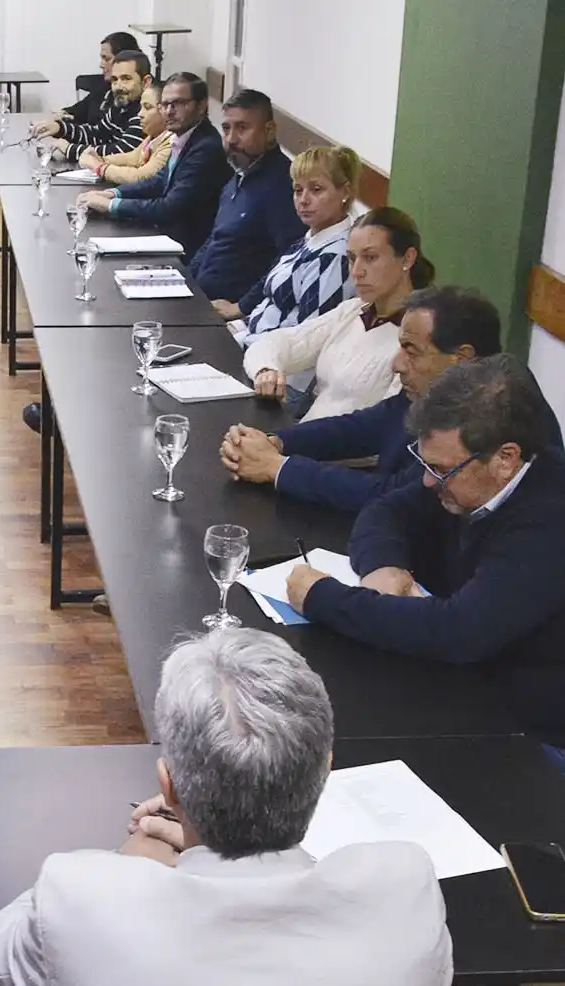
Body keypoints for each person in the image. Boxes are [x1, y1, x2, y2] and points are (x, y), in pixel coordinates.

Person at [0, 629, 452, 986]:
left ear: (170, 786)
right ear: (324, 770)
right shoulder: (406, 890)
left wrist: (134, 860)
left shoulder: (77, 897)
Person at [289, 355, 565, 756]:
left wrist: (323, 598)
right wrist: (385, 567)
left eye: (441, 470)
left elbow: (461, 632)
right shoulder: (465, 474)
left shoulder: (549, 518)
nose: (427, 481)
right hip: (462, 688)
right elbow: (385, 510)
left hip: (528, 738)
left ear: (505, 459)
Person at [222, 287, 511, 512]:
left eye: (411, 350)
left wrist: (277, 467)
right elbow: (367, 426)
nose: (397, 364)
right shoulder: (441, 390)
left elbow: (394, 495)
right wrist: (277, 441)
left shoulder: (488, 421)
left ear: (461, 359)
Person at [242, 207, 435, 422]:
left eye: (370, 257)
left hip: (343, 451)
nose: (357, 271)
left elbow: (384, 427)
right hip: (303, 437)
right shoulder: (353, 311)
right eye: (352, 259)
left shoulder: (417, 337)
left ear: (408, 259)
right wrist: (266, 369)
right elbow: (277, 343)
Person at [78, 72, 231, 260]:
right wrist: (113, 194)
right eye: (165, 105)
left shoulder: (206, 147)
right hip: (167, 236)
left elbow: (169, 208)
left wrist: (110, 205)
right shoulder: (183, 135)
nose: (169, 111)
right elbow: (158, 182)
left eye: (178, 104)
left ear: (201, 106)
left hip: (186, 250)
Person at [225, 144, 361, 339]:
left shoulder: (333, 257)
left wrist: (240, 342)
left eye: (316, 189)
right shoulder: (309, 239)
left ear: (345, 192)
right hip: (250, 336)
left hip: (267, 360)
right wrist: (235, 328)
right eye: (298, 190)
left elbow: (305, 342)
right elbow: (270, 307)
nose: (303, 200)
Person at [189, 89, 305, 311]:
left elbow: (288, 259)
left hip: (233, 316)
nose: (231, 139)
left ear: (269, 131)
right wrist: (184, 279)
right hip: (202, 301)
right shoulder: (239, 174)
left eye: (242, 128)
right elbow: (216, 238)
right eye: (226, 128)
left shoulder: (282, 186)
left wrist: (241, 307)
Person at [34, 51, 150, 160]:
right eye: (114, 80)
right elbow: (97, 134)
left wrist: (70, 149)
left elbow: (121, 152)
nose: (118, 86)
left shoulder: (146, 113)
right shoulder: (120, 105)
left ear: (146, 82)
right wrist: (60, 128)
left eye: (126, 79)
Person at [79, 80, 173, 185]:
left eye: (147, 107)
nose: (140, 114)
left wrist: (99, 167)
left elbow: (141, 177)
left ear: (167, 111)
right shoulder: (154, 137)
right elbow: (132, 158)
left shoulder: (171, 143)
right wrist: (100, 159)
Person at [59, 31, 140, 128]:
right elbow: (81, 108)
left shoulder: (134, 98)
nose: (101, 65)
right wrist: (62, 115)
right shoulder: (104, 86)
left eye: (106, 59)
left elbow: (102, 134)